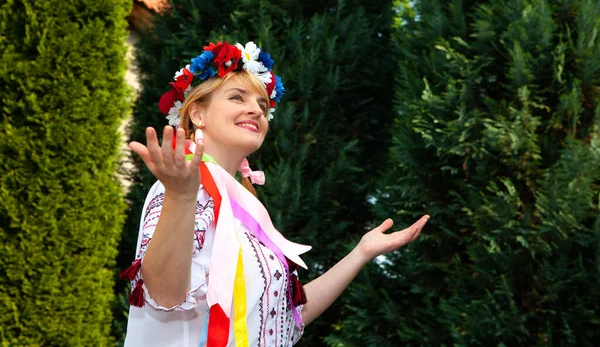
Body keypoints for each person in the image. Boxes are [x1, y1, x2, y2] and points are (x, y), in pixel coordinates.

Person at [122, 41, 429, 347]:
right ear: (198, 114)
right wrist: (180, 196)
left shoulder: (244, 207)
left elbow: (285, 319)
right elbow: (162, 295)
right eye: (237, 97)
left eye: (263, 105)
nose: (256, 109)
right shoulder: (181, 186)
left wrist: (362, 252)